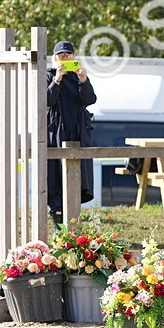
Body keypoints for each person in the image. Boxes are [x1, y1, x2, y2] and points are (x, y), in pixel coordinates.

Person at [46, 40, 96, 222]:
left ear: (74, 57)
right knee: (55, 176)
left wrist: (84, 80)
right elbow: (47, 100)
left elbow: (90, 100)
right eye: (61, 56)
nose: (65, 58)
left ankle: (73, 218)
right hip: (56, 133)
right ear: (55, 58)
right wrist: (57, 79)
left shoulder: (78, 76)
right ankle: (58, 217)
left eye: (68, 55)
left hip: (77, 132)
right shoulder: (49, 75)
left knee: (79, 177)